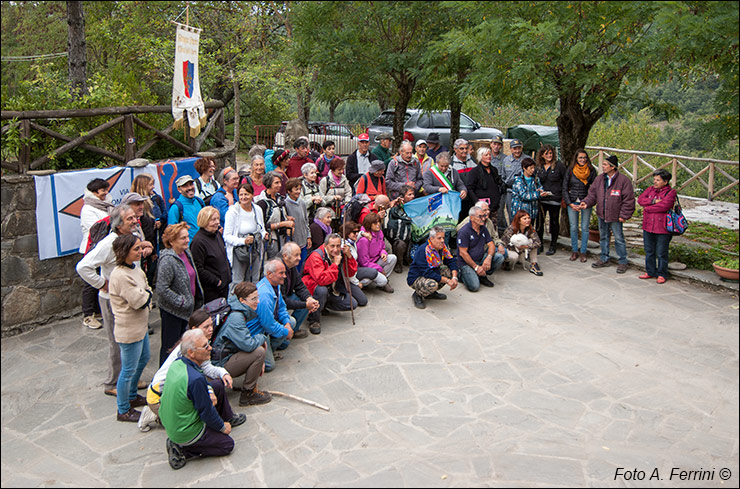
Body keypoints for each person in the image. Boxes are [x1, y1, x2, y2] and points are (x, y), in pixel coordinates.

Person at [77, 204, 153, 396]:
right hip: (112, 300)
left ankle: (131, 379)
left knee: (135, 342)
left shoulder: (129, 238)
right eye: (130, 219)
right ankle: (113, 383)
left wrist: (146, 246)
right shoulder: (108, 243)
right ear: (118, 225)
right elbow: (83, 266)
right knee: (118, 342)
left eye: (134, 218)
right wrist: (101, 282)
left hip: (132, 296)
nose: (135, 221)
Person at [140, 309, 243, 432]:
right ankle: (155, 415)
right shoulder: (186, 351)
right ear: (194, 329)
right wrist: (207, 391)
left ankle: (228, 417)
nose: (211, 329)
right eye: (206, 327)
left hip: (178, 391)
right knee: (196, 416)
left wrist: (223, 373)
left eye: (211, 325)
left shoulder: (199, 343)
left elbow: (206, 368)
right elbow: (189, 379)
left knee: (217, 385)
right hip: (160, 396)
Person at [160, 329, 235, 470]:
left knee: (217, 386)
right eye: (205, 346)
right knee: (227, 445)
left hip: (174, 421)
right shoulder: (195, 380)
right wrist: (221, 427)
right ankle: (183, 449)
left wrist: (209, 390)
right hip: (186, 431)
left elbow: (200, 379)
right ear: (191, 353)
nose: (210, 348)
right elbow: (205, 411)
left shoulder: (178, 364)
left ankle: (227, 418)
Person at [109, 234, 153, 422]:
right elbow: (139, 301)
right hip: (129, 329)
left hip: (140, 327)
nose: (140, 251)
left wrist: (146, 293)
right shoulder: (120, 275)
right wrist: (147, 294)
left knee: (143, 358)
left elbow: (146, 288)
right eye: (136, 249)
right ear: (124, 252)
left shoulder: (135, 269)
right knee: (127, 369)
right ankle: (123, 408)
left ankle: (133, 395)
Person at [210, 282, 272, 404]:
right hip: (219, 364)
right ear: (242, 300)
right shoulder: (236, 318)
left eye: (257, 297)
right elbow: (248, 345)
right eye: (253, 299)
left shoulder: (235, 309)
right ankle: (248, 394)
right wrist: (262, 338)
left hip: (222, 357)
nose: (258, 301)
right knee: (258, 352)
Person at [157, 222, 204, 366]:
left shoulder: (186, 252)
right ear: (171, 241)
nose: (187, 240)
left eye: (187, 237)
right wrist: (181, 302)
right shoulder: (168, 260)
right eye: (183, 238)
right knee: (170, 347)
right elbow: (162, 288)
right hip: (174, 313)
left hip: (188, 310)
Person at [580, 155, 636, 273]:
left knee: (619, 238)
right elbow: (592, 194)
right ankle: (604, 258)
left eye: (605, 165)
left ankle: (622, 261)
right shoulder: (600, 179)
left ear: (612, 167)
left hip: (616, 216)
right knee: (603, 237)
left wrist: (624, 215)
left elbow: (629, 200)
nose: (603, 167)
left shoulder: (623, 181)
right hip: (602, 213)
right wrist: (586, 203)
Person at [302, 233, 364, 334]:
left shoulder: (341, 254)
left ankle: (324, 304)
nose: (335, 249)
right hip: (314, 288)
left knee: (352, 304)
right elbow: (321, 279)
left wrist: (349, 256)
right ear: (325, 245)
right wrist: (335, 264)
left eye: (338, 246)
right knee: (322, 290)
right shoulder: (317, 256)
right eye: (332, 246)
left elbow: (351, 273)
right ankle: (314, 320)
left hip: (333, 288)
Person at [79, 178, 114, 329]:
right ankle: (88, 315)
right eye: (103, 190)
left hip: (105, 248)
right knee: (90, 283)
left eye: (106, 189)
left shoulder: (107, 205)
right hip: (91, 249)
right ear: (94, 192)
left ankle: (99, 310)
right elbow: (96, 228)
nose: (106, 193)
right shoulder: (87, 209)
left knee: (102, 277)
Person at [249, 260, 296, 371]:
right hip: (258, 332)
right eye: (281, 273)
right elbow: (267, 324)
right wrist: (286, 331)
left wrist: (287, 324)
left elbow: (282, 307)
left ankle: (271, 347)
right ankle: (259, 353)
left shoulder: (275, 285)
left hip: (267, 327)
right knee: (270, 366)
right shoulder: (264, 294)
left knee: (291, 321)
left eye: (284, 273)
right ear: (270, 274)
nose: (284, 276)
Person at [223, 182, 268, 285]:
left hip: (255, 249)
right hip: (239, 252)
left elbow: (261, 228)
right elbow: (227, 236)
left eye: (246, 194)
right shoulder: (232, 212)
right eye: (241, 195)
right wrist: (243, 241)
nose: (244, 197)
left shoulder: (257, 209)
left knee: (254, 278)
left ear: (252, 195)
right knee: (238, 281)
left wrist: (264, 234)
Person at [637, 169, 677, 284]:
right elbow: (640, 200)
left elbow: (664, 206)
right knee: (649, 250)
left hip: (662, 227)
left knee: (661, 252)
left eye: (658, 180)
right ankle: (650, 271)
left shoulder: (670, 193)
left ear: (665, 181)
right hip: (648, 225)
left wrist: (648, 208)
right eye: (654, 179)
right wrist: (654, 201)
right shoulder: (650, 189)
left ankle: (662, 273)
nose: (655, 182)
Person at [407, 226, 459, 310]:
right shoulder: (423, 250)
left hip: (432, 273)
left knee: (448, 272)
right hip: (417, 277)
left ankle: (430, 293)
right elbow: (427, 272)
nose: (442, 240)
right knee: (432, 284)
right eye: (439, 238)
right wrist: (447, 281)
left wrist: (454, 277)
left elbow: (451, 260)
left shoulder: (443, 248)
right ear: (431, 238)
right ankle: (418, 295)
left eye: (443, 237)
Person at [131, 174, 167, 287]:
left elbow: (164, 212)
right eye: (150, 184)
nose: (153, 187)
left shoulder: (155, 198)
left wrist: (160, 221)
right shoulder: (136, 211)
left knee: (150, 274)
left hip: (153, 243)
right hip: (143, 247)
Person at [190, 207, 231, 303]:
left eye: (217, 219)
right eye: (213, 220)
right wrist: (216, 282)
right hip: (212, 290)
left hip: (224, 286)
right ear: (205, 221)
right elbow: (198, 268)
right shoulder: (198, 242)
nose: (217, 222)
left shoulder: (217, 235)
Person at [279, 242, 320, 335]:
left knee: (306, 299)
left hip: (287, 297)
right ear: (285, 256)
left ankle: (294, 330)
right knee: (283, 345)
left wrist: (309, 298)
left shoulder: (292, 267)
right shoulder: (278, 271)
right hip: (278, 304)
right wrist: (305, 305)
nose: (300, 258)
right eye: (296, 255)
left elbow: (299, 285)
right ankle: (284, 332)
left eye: (299, 254)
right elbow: (283, 301)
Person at [563, 149, 597, 262]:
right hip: (573, 201)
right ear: (576, 159)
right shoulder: (571, 170)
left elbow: (594, 189)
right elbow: (565, 187)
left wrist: (587, 202)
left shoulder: (591, 171)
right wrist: (570, 203)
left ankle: (583, 251)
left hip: (585, 202)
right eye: (580, 158)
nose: (582, 160)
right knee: (573, 227)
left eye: (584, 157)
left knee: (585, 228)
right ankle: (574, 251)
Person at [457, 206, 500, 291]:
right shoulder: (464, 231)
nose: (484, 218)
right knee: (474, 287)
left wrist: (489, 257)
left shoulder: (483, 228)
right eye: (480, 216)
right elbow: (463, 253)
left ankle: (482, 275)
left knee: (499, 257)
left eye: (484, 216)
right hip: (467, 263)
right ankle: (461, 274)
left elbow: (491, 244)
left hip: (480, 259)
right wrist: (476, 267)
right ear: (472, 218)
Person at [535, 145, 567, 255]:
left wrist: (563, 196)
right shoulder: (538, 167)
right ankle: (540, 244)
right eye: (547, 153)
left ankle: (553, 245)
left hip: (555, 198)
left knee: (554, 222)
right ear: (542, 154)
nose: (549, 155)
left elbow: (565, 181)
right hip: (542, 199)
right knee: (540, 222)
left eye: (550, 153)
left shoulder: (559, 166)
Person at [256, 172, 294, 260]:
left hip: (282, 238)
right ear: (269, 183)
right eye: (276, 183)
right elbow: (261, 225)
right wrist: (283, 224)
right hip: (271, 240)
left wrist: (287, 218)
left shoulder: (280, 198)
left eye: (280, 182)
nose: (280, 185)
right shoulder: (262, 203)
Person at [467, 146, 505, 230]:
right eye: (486, 155)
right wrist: (477, 202)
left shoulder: (494, 170)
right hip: (481, 206)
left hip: (494, 205)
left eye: (489, 154)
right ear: (481, 157)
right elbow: (470, 188)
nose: (489, 156)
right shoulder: (474, 172)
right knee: (481, 227)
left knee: (493, 228)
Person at [357, 213, 396, 293]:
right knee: (367, 280)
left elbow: (382, 246)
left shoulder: (379, 232)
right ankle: (360, 285)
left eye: (379, 222)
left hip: (376, 260)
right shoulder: (364, 240)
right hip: (365, 266)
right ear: (369, 224)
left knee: (392, 258)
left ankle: (383, 281)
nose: (378, 225)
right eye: (375, 223)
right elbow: (364, 263)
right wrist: (379, 269)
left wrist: (383, 252)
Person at [341, 221, 380, 293]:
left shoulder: (352, 240)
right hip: (348, 276)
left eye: (357, 231)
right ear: (347, 232)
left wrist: (362, 233)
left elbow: (359, 234)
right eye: (354, 232)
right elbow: (347, 271)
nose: (356, 234)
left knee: (373, 272)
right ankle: (352, 288)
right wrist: (356, 283)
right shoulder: (344, 247)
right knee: (362, 301)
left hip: (355, 270)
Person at [501, 210, 543, 276]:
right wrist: (516, 247)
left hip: (523, 248)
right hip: (511, 249)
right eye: (525, 219)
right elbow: (504, 243)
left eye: (528, 218)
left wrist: (526, 246)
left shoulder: (530, 229)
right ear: (519, 220)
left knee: (532, 241)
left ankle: (534, 264)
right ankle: (506, 262)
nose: (528, 220)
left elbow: (538, 242)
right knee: (514, 256)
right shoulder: (511, 229)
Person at [496, 138, 526, 231]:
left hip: (523, 192)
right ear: (511, 149)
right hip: (510, 191)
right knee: (511, 215)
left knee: (523, 216)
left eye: (519, 148)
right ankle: (513, 235)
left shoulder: (527, 159)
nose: (517, 151)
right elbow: (503, 175)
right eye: (514, 148)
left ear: (522, 148)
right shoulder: (506, 160)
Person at [385, 185, 415, 274]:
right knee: (400, 244)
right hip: (399, 237)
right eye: (409, 195)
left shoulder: (415, 206)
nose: (412, 196)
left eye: (413, 194)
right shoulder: (396, 208)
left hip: (412, 236)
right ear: (402, 197)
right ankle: (399, 264)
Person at [285, 177, 312, 271]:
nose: (298, 191)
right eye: (296, 189)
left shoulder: (302, 202)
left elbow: (305, 220)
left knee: (302, 264)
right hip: (293, 240)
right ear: (289, 191)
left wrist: (308, 236)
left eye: (300, 189)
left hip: (303, 239)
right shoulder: (285, 204)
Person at [168, 175, 205, 242]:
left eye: (191, 184)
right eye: (185, 186)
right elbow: (171, 232)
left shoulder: (199, 202)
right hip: (188, 247)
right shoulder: (176, 207)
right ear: (179, 189)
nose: (190, 188)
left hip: (203, 245)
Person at [511, 157, 545, 222]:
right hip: (521, 213)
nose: (533, 170)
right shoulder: (518, 180)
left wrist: (542, 192)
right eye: (531, 168)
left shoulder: (535, 179)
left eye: (534, 168)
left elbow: (540, 188)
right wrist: (538, 194)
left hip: (532, 212)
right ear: (524, 168)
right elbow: (524, 195)